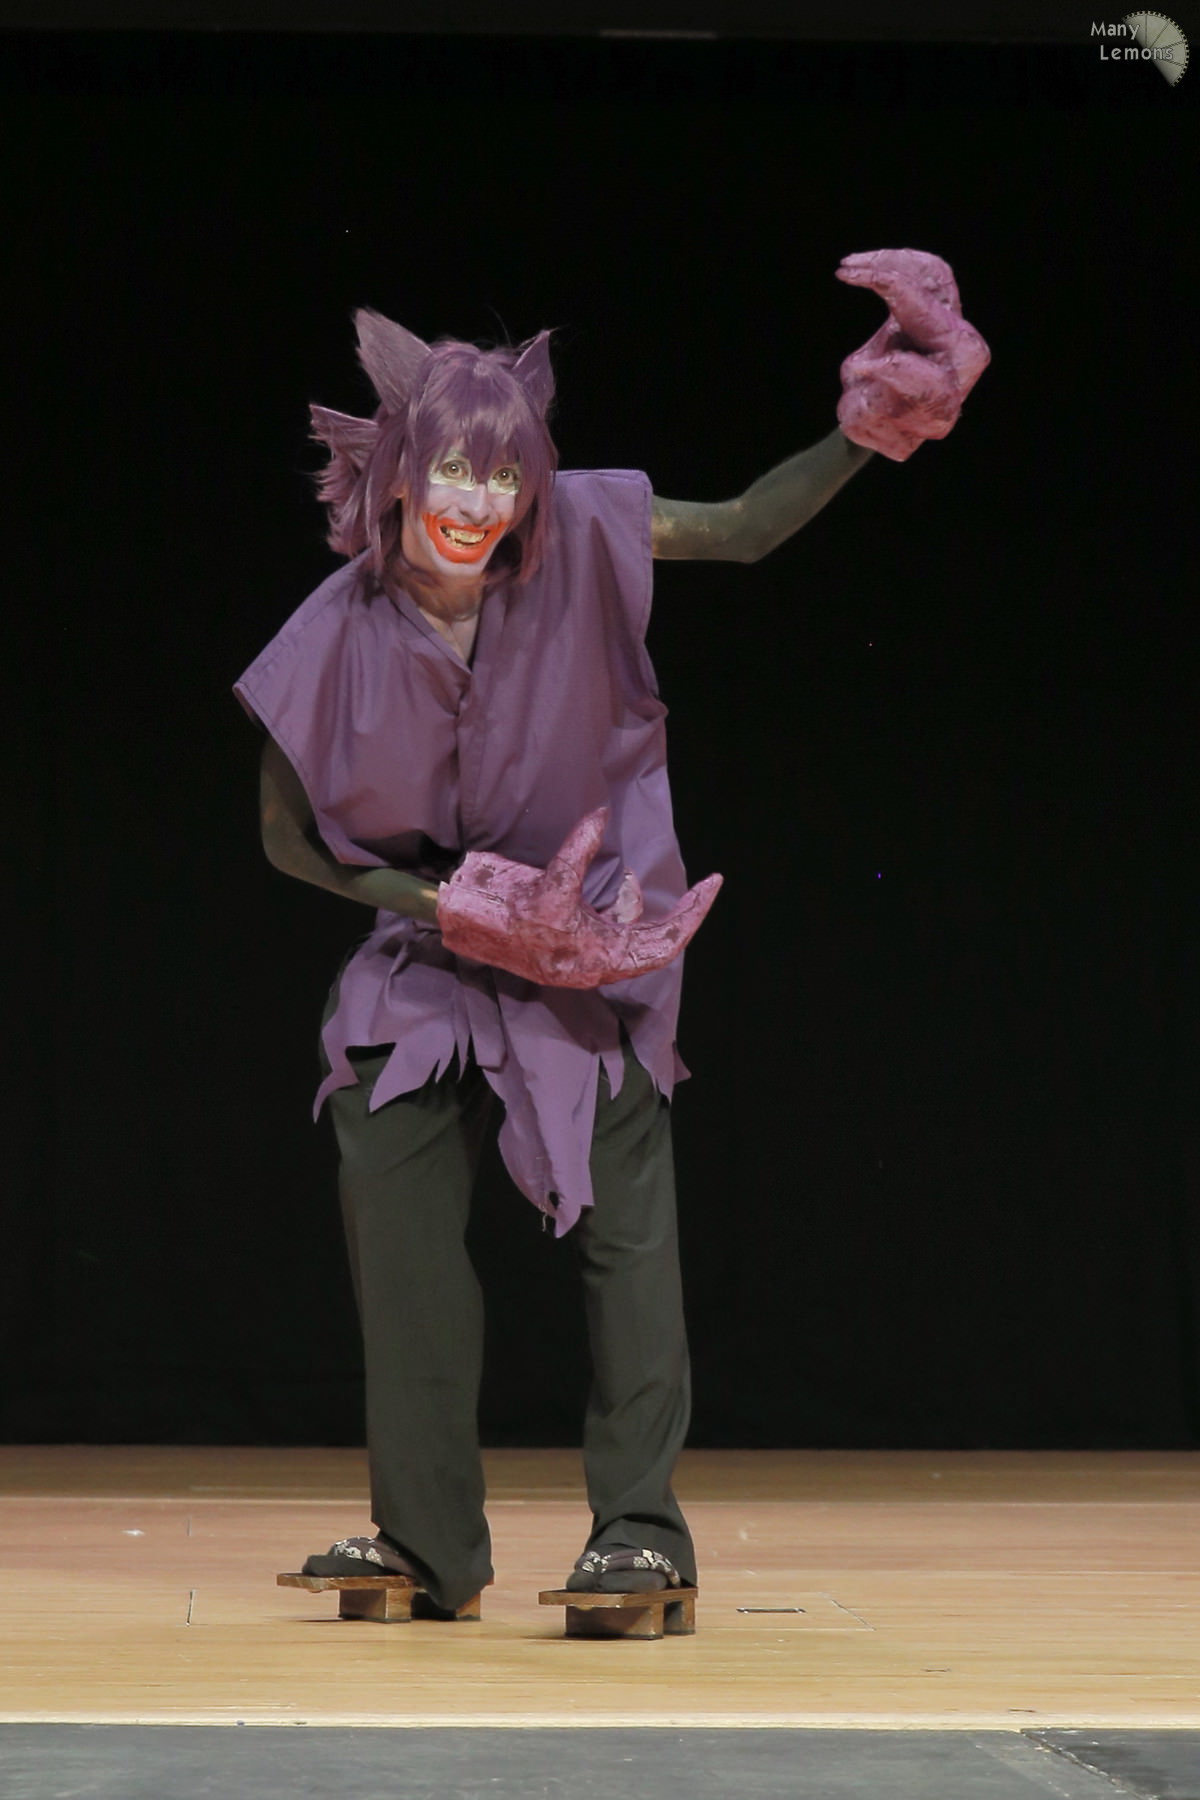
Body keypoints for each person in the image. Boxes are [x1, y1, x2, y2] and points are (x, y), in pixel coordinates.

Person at [235, 251, 988, 1617]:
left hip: (598, 935)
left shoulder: (579, 533)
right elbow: (288, 837)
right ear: (398, 472)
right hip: (437, 949)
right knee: (389, 1178)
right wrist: (443, 906)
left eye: (501, 476)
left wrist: (874, 427)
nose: (476, 503)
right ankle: (425, 1545)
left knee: (625, 1226)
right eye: (451, 471)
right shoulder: (332, 632)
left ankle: (641, 1536)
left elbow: (744, 527)